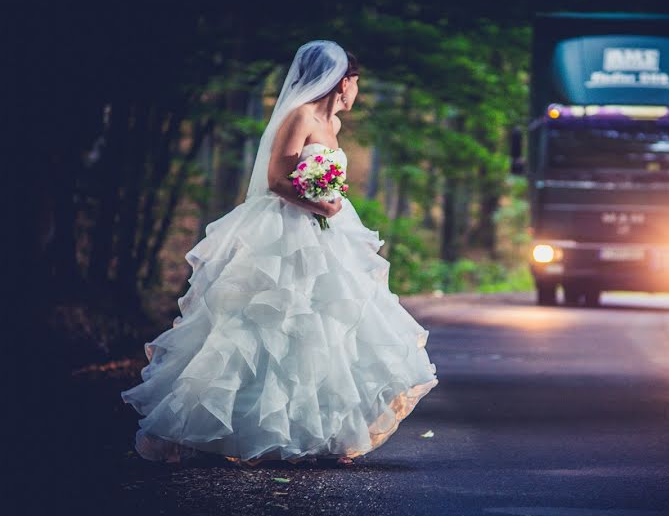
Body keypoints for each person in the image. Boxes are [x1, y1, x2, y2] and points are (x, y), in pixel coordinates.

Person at [121, 40, 439, 468]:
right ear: (342, 82)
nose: (356, 92)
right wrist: (320, 204)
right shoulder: (299, 115)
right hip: (285, 229)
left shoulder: (335, 127)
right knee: (264, 326)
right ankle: (224, 431)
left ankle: (318, 433)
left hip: (328, 231)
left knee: (326, 329)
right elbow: (275, 178)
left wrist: (327, 205)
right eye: (356, 83)